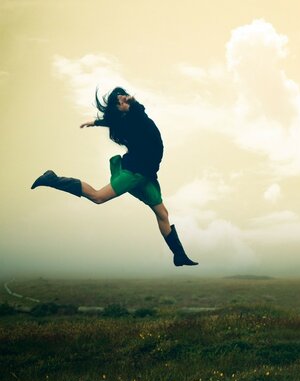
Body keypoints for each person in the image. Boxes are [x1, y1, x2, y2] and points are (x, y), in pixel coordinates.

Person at [31, 87, 198, 267]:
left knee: (163, 214)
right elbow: (125, 116)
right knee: (98, 197)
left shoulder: (131, 118)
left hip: (146, 176)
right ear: (117, 108)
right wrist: (123, 109)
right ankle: (53, 179)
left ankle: (179, 256)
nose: (124, 102)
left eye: (124, 99)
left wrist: (95, 122)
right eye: (120, 102)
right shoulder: (132, 118)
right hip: (133, 173)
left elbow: (116, 118)